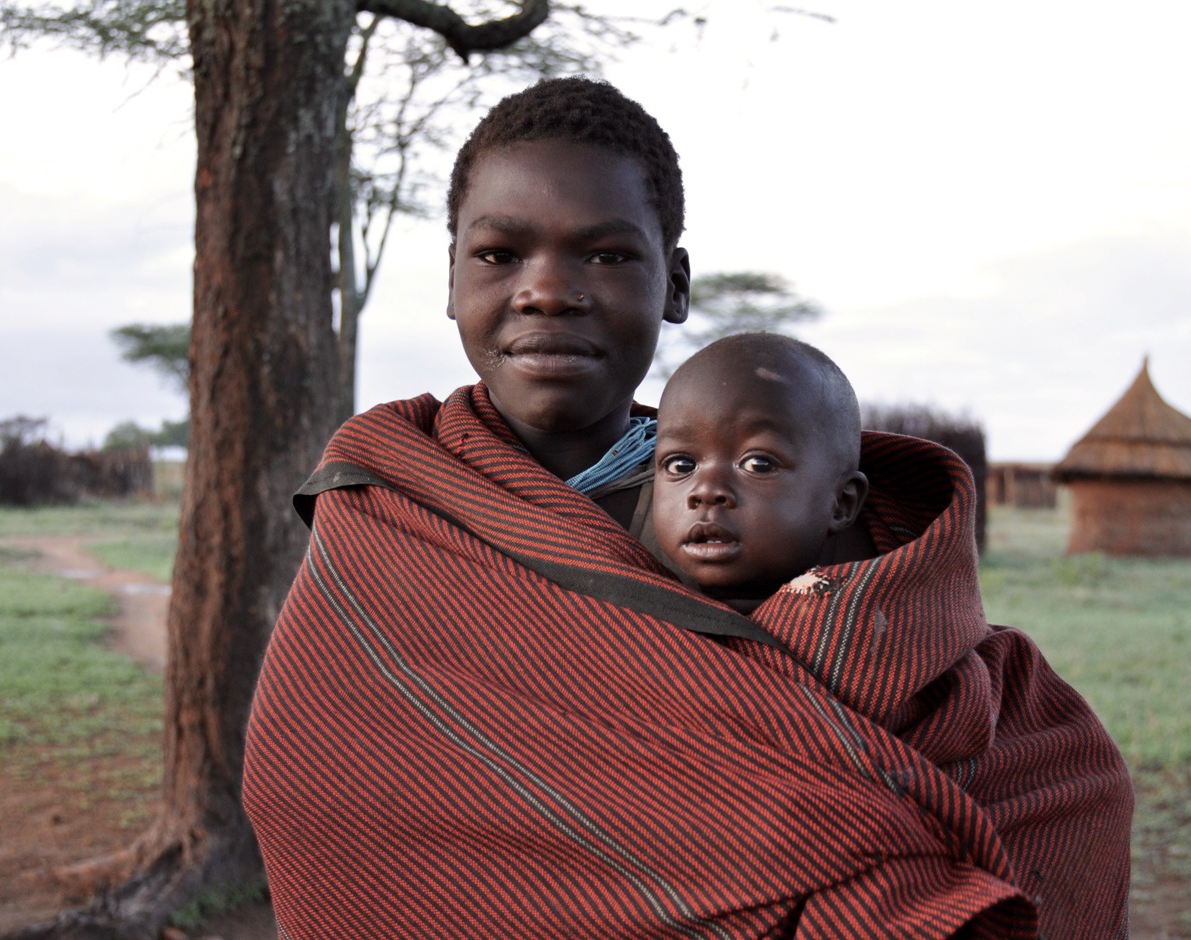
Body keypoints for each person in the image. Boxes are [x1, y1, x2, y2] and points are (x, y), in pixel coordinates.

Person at [244, 76, 1133, 939]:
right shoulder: (393, 506)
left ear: (672, 285)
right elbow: (315, 779)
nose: (547, 289)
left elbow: (942, 714)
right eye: (498, 253)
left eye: (605, 254)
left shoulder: (772, 504)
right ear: (450, 280)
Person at [651, 333, 869, 610]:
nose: (706, 491)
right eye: (680, 465)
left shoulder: (886, 624)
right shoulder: (626, 609)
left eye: (759, 464)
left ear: (841, 503)